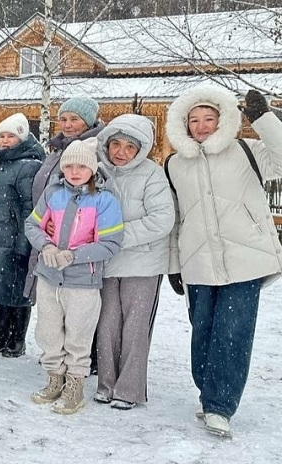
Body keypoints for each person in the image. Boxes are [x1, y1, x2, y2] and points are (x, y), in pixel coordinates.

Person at [164, 86, 282, 438]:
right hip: (197, 261)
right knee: (203, 331)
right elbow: (176, 219)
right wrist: (174, 265)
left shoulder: (247, 150)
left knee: (233, 332)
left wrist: (263, 119)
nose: (201, 126)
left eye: (209, 119)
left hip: (245, 259)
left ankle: (220, 405)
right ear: (184, 125)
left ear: (223, 120)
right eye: (194, 120)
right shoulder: (175, 164)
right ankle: (208, 394)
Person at [25, 138, 124, 415]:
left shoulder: (104, 199)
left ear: (92, 168)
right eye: (69, 166)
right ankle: (54, 378)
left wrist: (74, 255)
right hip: (49, 276)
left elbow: (110, 243)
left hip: (83, 281)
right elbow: (32, 224)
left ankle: (75, 386)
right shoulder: (53, 193)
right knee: (48, 331)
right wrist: (46, 246)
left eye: (81, 166)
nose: (75, 171)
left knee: (78, 335)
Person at [93, 114, 174, 410]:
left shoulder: (152, 174)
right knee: (107, 325)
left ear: (140, 150)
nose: (121, 152)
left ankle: (128, 390)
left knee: (135, 328)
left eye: (130, 147)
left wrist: (117, 236)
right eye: (116, 144)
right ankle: (106, 385)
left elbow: (163, 219)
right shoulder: (98, 172)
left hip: (142, 263)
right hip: (106, 263)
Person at [0, 114, 46, 358]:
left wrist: (24, 244)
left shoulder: (29, 166)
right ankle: (2, 335)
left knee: (18, 290)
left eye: (11, 136)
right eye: (2, 136)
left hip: (14, 239)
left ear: (22, 138)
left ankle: (17, 339)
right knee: (1, 288)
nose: (5, 141)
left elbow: (30, 208)